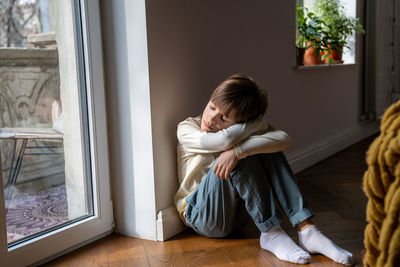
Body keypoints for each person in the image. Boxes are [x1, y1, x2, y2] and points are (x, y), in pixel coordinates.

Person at [174, 74, 353, 265]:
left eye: (224, 119)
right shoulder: (187, 128)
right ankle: (271, 232)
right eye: (211, 107)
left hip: (238, 218)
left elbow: (284, 139)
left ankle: (307, 229)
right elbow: (223, 141)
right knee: (234, 154)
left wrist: (239, 150)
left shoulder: (242, 133)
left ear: (240, 124)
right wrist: (246, 138)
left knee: (260, 149)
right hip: (201, 215)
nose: (211, 118)